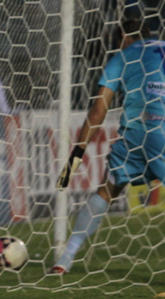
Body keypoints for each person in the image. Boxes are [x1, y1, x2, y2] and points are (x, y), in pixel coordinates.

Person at [51, 14, 165, 274]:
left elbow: (98, 112)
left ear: (124, 38)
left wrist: (72, 162)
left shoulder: (122, 57)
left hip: (135, 134)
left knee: (107, 190)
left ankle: (64, 259)